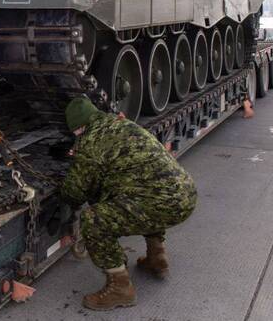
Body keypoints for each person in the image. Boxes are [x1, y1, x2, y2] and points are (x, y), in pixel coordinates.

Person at [62, 97, 198, 311]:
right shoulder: (123, 124)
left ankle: (120, 288)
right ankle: (157, 257)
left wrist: (74, 166)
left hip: (161, 204)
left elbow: (74, 192)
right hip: (186, 195)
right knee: (142, 192)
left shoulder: (90, 143)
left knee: (93, 220)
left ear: (79, 128)